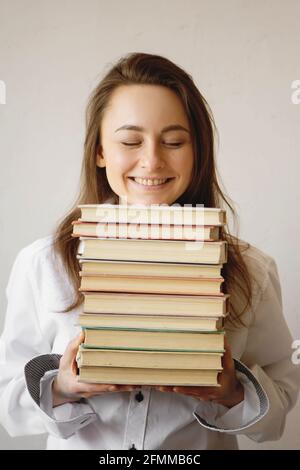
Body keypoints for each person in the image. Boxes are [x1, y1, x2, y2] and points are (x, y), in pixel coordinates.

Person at [0, 52, 299, 450]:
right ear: (100, 152)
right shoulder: (43, 264)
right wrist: (63, 387)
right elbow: (8, 401)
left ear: (197, 152)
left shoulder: (252, 271)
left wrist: (232, 392)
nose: (152, 160)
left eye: (174, 141)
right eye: (130, 141)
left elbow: (279, 404)